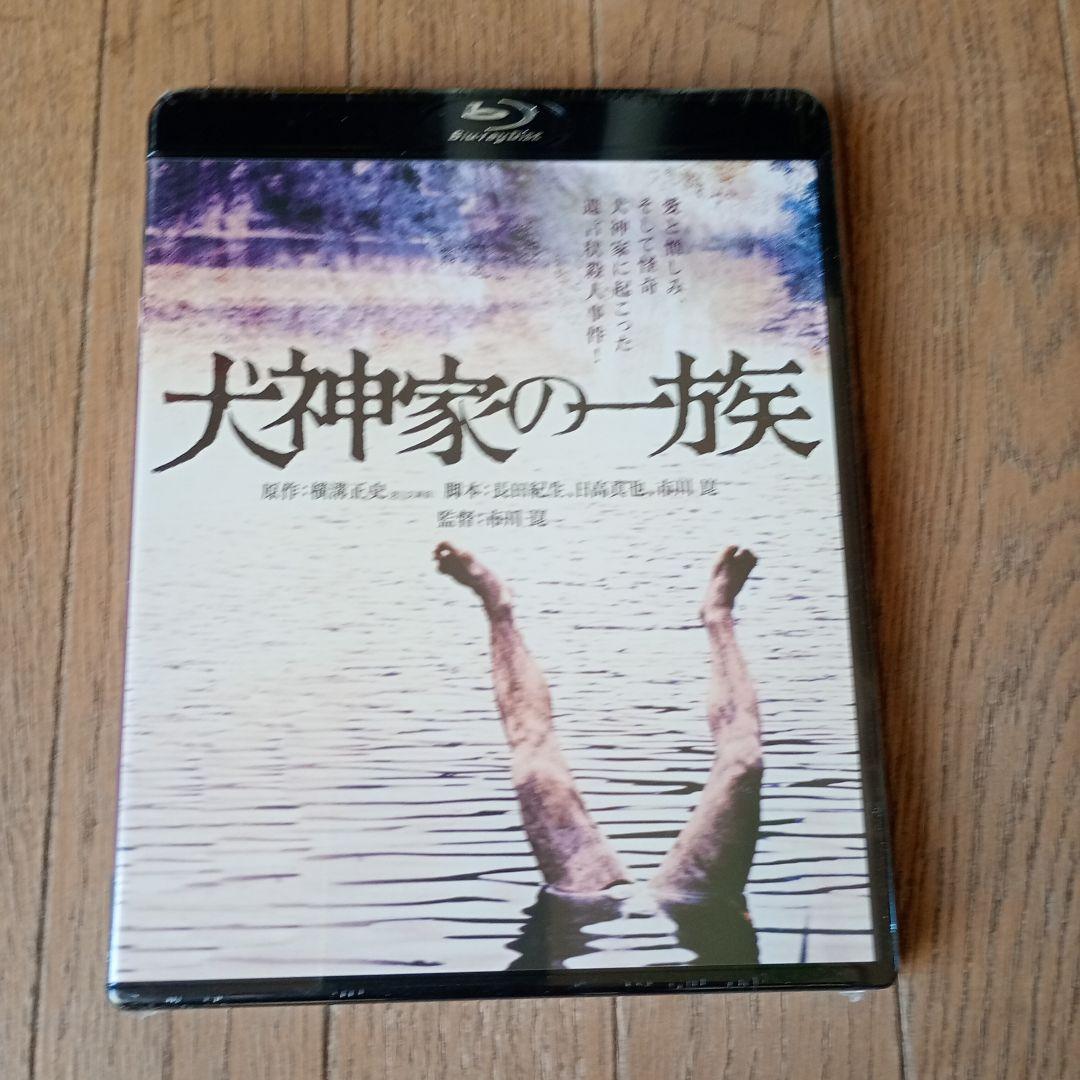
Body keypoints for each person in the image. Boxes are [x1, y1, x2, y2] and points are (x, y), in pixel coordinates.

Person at [433, 541, 763, 963]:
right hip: (660, 899)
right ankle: (498, 608)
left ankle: (717, 614)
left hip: (612, 900)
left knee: (743, 764)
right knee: (535, 766)